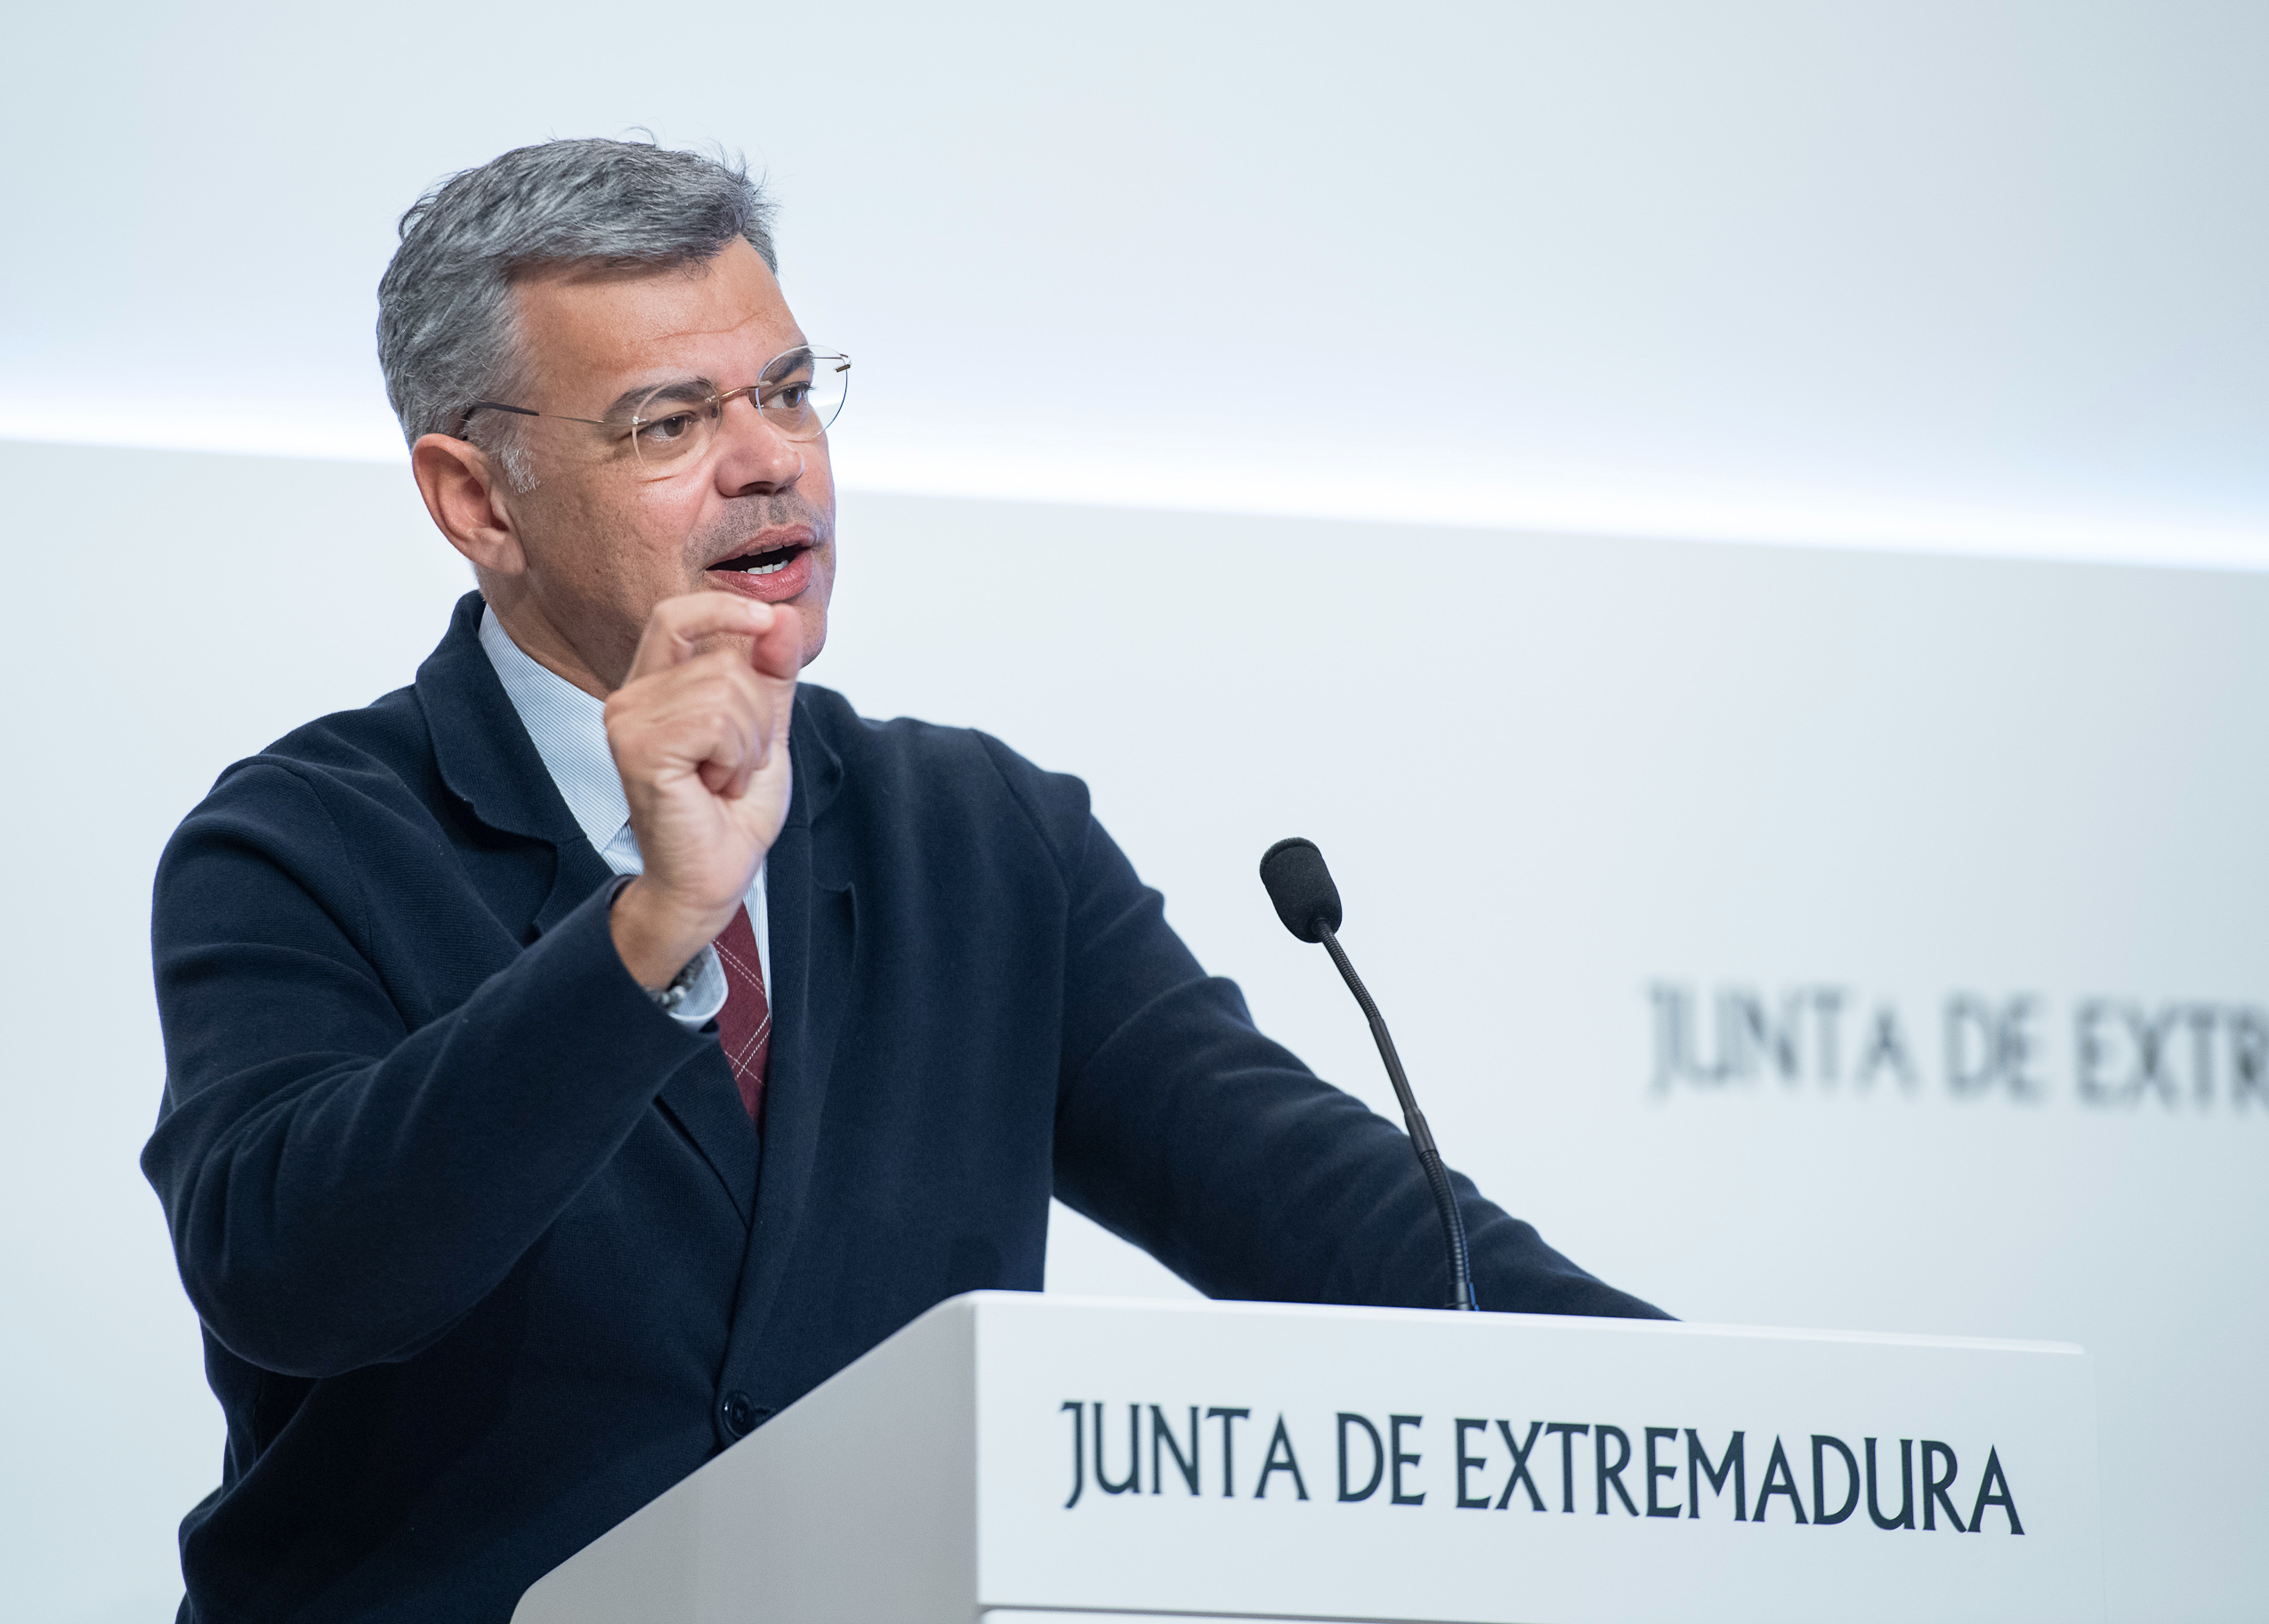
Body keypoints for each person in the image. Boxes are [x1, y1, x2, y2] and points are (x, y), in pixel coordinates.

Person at [141, 135, 1664, 1624]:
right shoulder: (300, 843)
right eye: (671, 422)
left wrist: (1740, 1434)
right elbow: (296, 1274)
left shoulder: (980, 837)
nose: (768, 461)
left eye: (790, 393)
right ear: (478, 500)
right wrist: (648, 932)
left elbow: (1325, 1216)